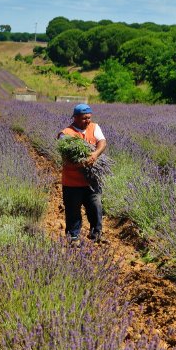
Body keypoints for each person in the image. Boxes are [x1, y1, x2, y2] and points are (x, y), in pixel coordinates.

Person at [57, 103, 107, 244]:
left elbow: (102, 142)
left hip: (91, 180)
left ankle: (96, 233)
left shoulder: (94, 127)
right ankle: (73, 237)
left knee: (95, 206)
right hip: (72, 182)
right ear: (76, 117)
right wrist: (81, 164)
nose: (88, 121)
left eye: (89, 118)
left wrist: (95, 155)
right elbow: (66, 160)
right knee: (73, 210)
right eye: (85, 118)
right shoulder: (65, 134)